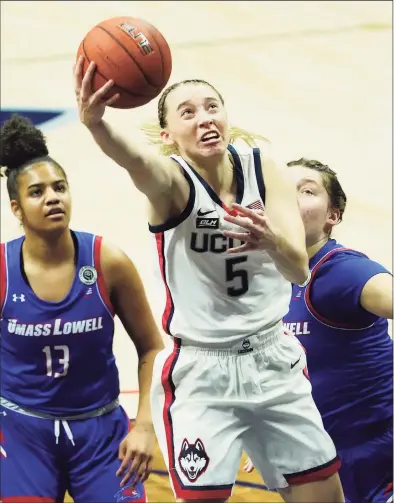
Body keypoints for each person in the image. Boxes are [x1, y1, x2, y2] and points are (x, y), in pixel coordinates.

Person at [74, 56, 345, 503]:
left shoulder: (266, 168)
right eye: (188, 113)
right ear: (168, 137)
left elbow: (298, 269)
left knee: (325, 497)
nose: (204, 119)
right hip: (204, 372)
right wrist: (97, 124)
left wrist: (271, 240)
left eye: (212, 107)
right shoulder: (170, 183)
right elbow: (135, 160)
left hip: (273, 361)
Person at [0, 114, 165, 503]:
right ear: (16, 208)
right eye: (37, 192)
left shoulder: (108, 261)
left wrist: (145, 425)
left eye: (60, 187)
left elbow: (151, 349)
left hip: (101, 431)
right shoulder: (2, 272)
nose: (53, 197)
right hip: (23, 432)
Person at [242, 158, 393, 503]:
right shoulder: (261, 280)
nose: (291, 199)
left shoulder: (340, 272)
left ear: (332, 216)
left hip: (375, 460)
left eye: (307, 191)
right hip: (311, 460)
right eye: (282, 191)